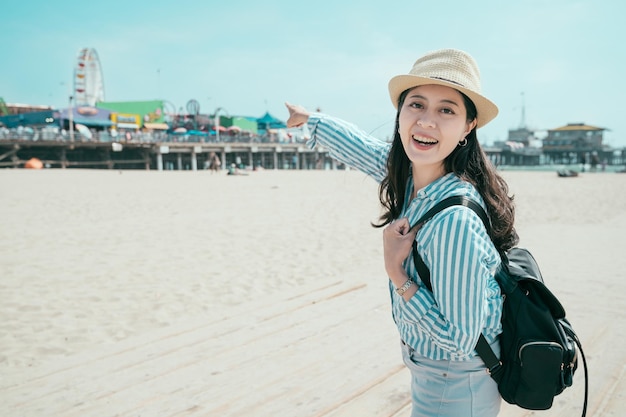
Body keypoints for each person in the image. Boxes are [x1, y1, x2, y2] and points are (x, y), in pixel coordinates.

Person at [286, 48, 518, 417]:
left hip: (456, 381)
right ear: (400, 114)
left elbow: (460, 340)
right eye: (416, 105)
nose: (426, 121)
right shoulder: (415, 178)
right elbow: (364, 149)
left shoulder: (453, 221)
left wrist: (397, 273)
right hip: (435, 373)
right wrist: (311, 121)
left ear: (468, 127)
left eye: (446, 110)